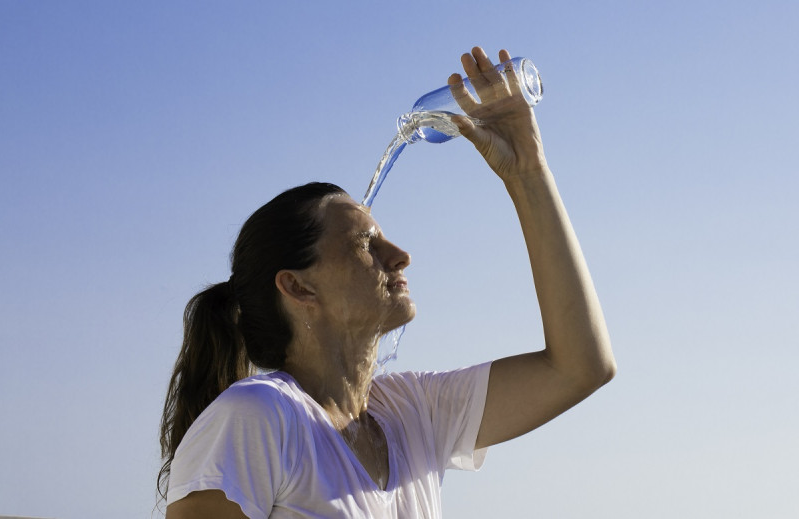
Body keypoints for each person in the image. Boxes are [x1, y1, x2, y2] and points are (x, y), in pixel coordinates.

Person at [159, 46, 616, 518]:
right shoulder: (260, 416)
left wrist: (527, 173)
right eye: (364, 244)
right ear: (298, 288)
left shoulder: (412, 413)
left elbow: (581, 367)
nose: (400, 256)